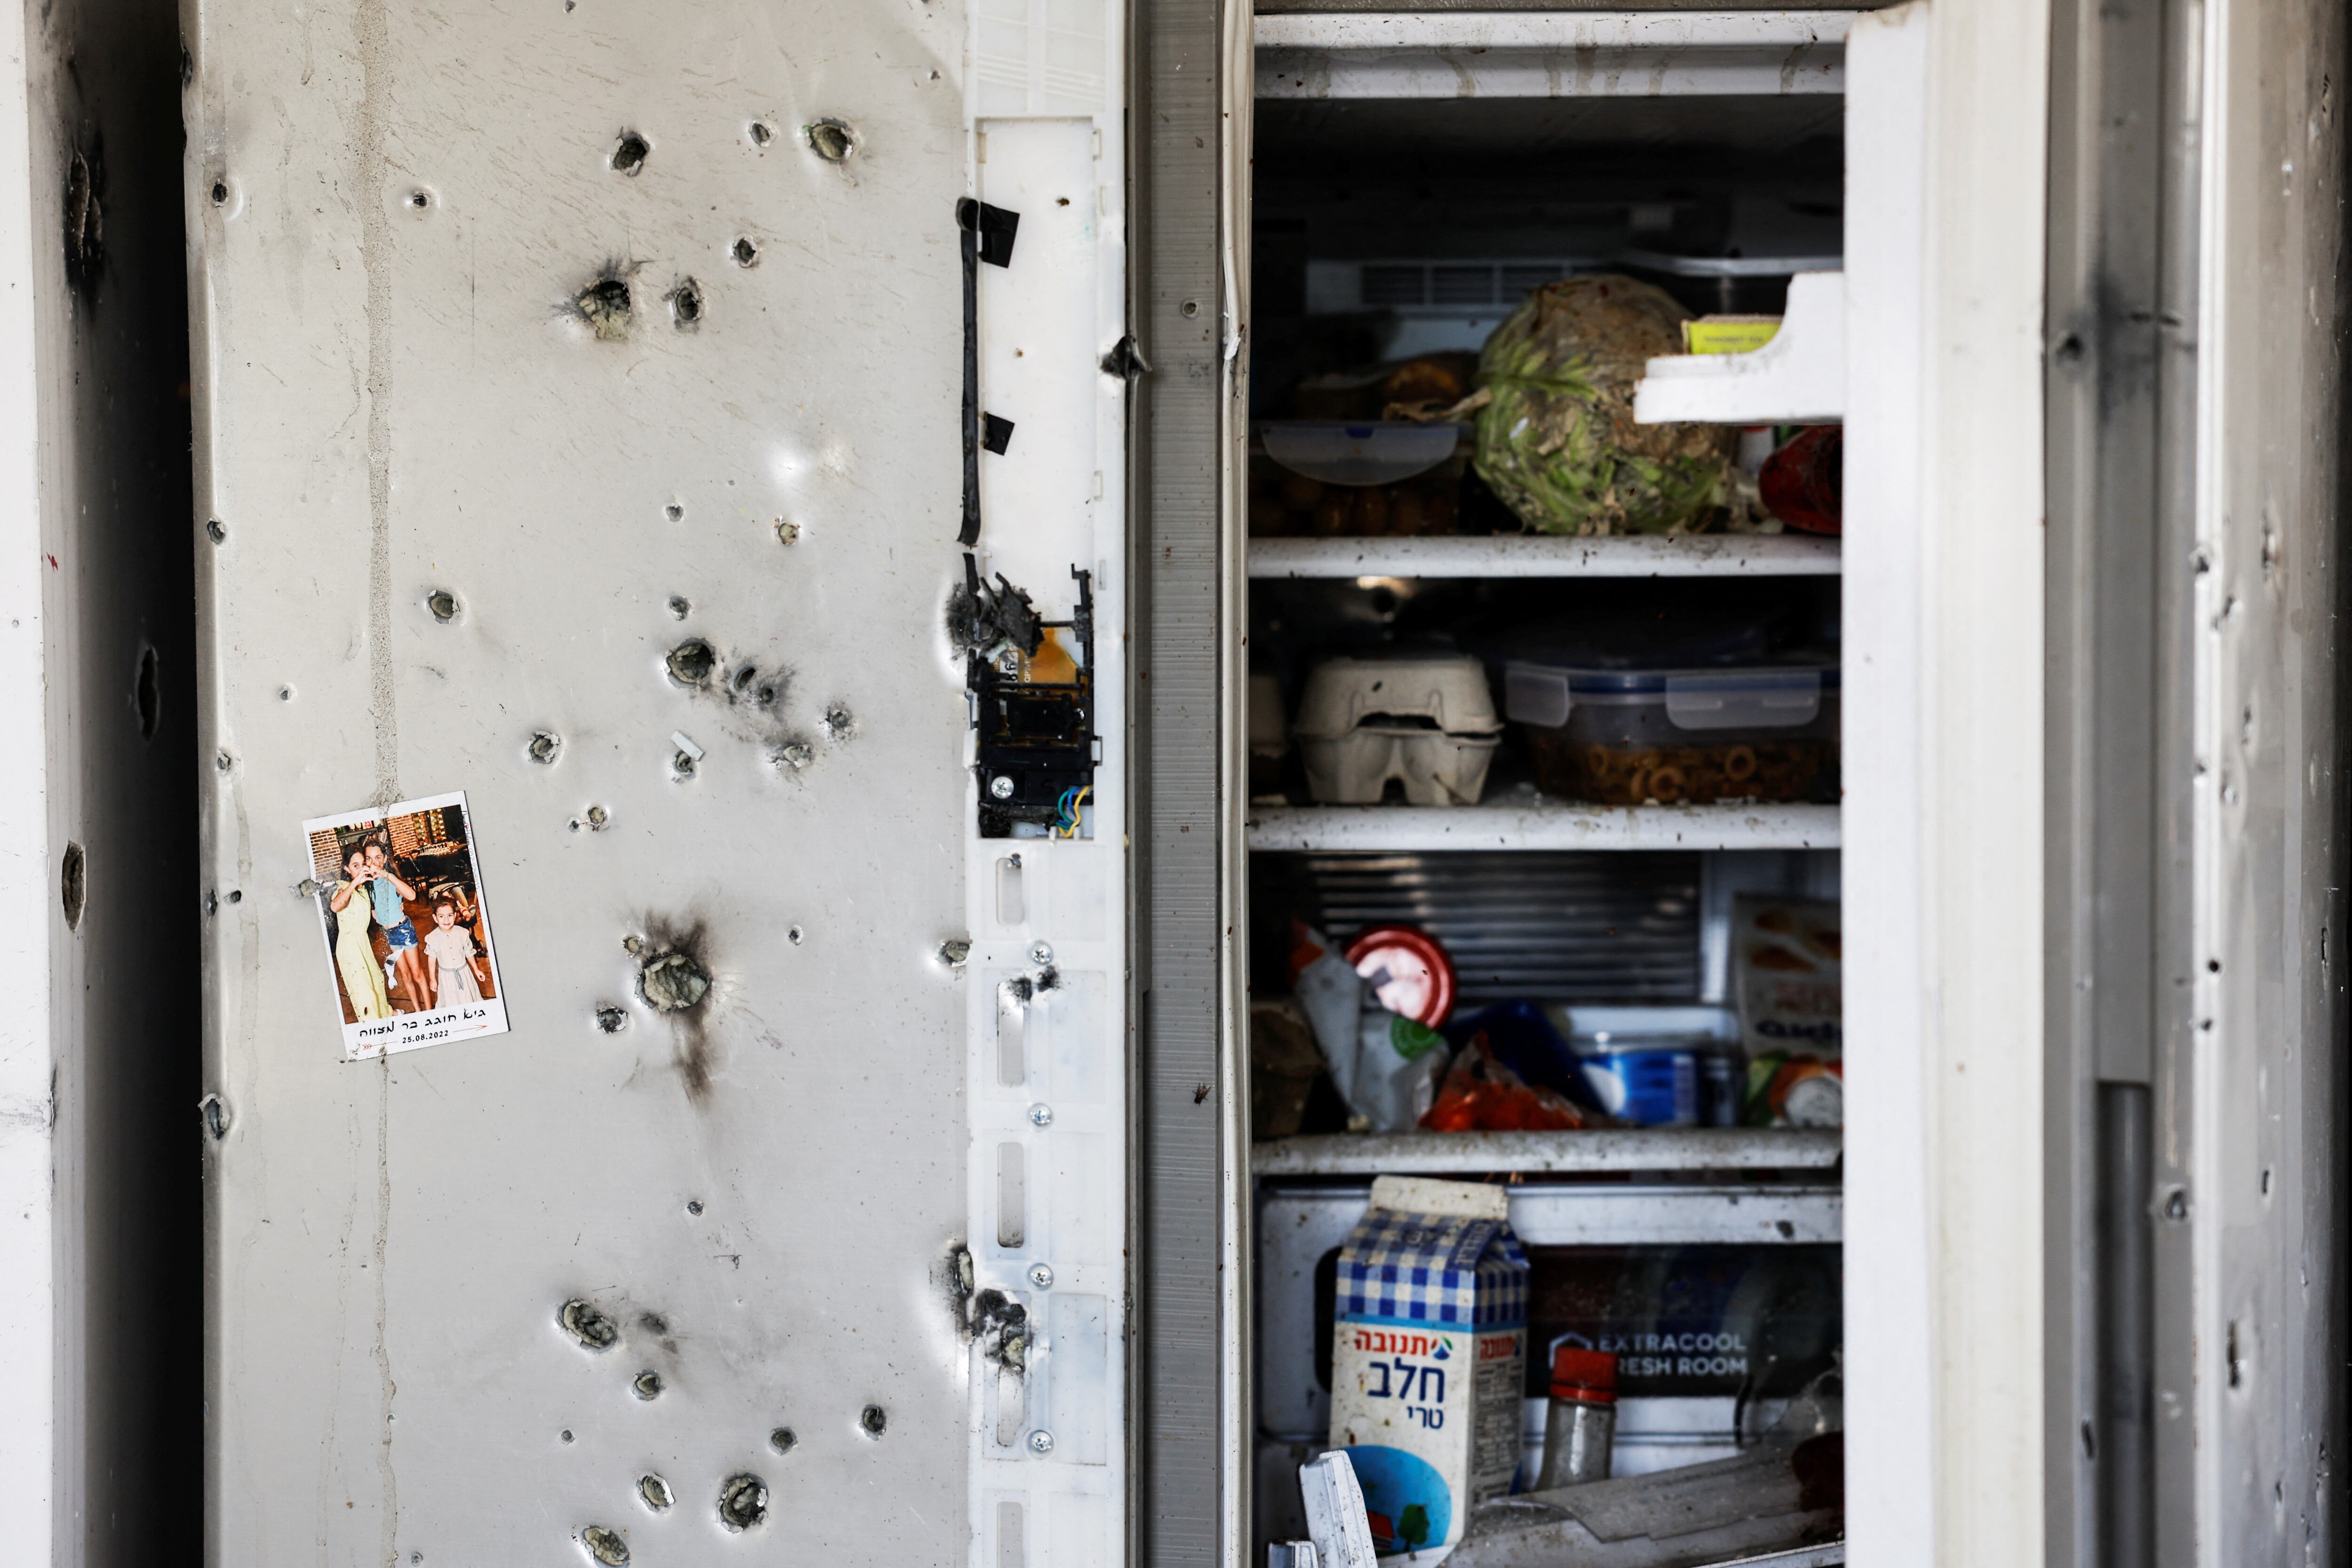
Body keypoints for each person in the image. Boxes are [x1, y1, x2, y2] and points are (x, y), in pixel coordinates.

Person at [327, 845, 393, 1020]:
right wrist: (355, 882)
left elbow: (377, 917)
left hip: (362, 943)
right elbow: (335, 906)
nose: (362, 868)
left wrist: (396, 909)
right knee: (364, 993)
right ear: (347, 869)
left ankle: (385, 1017)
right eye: (356, 866)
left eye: (363, 864)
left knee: (375, 980)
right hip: (350, 947)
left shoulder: (363, 890)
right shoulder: (344, 888)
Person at [363, 841, 430, 1011]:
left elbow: (412, 896)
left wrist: (387, 876)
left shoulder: (392, 880)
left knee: (417, 974)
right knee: (406, 975)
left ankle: (429, 1012)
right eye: (369, 859)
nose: (373, 863)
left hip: (404, 931)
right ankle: (418, 1010)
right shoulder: (369, 886)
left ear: (385, 859)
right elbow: (375, 912)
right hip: (391, 935)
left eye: (378, 857)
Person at [422, 899, 488, 1007]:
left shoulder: (462, 933)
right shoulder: (433, 938)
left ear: (456, 915)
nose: (446, 920)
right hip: (446, 977)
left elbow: (469, 953)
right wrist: (432, 979)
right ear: (435, 918)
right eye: (441, 916)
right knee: (451, 1002)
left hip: (464, 974)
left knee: (468, 999)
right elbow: (432, 959)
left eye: (450, 915)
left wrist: (476, 970)